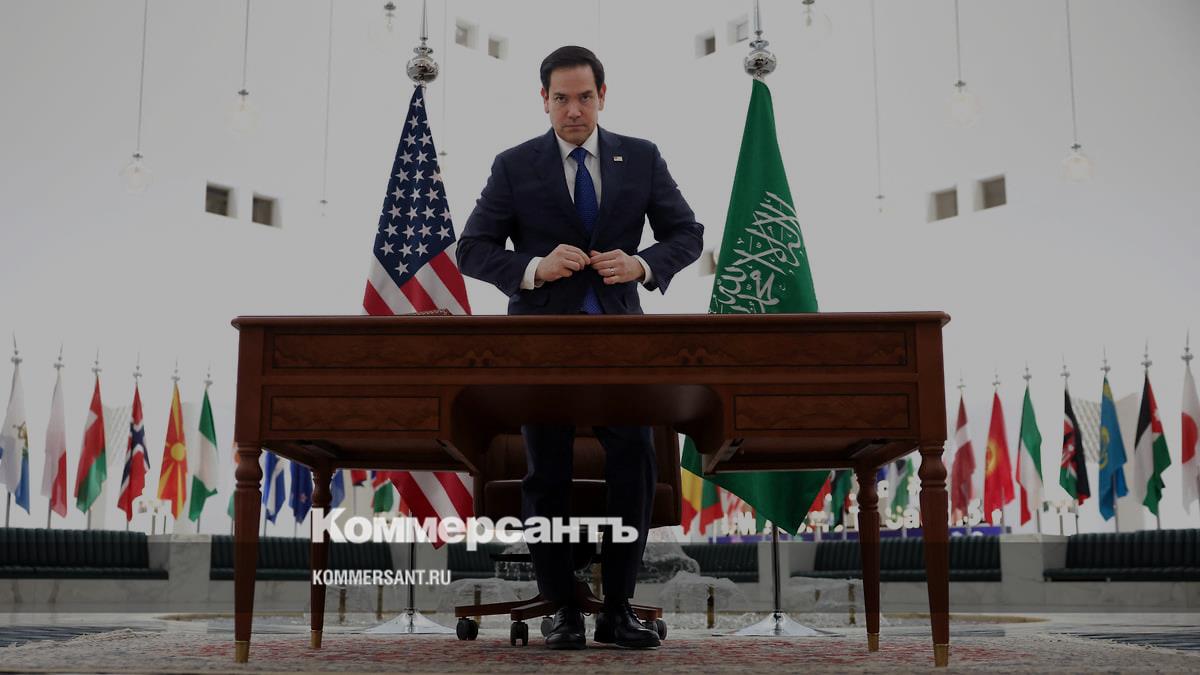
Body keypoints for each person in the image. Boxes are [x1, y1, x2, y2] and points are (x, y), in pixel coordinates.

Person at [457, 45, 703, 650]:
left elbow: (687, 234)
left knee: (635, 463)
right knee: (547, 470)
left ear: (602, 96)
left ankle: (617, 609)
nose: (574, 110)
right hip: (543, 346)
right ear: (543, 100)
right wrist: (534, 267)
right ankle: (562, 608)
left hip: (621, 344)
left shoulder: (640, 157)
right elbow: (472, 249)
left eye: (585, 97)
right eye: (562, 98)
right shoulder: (514, 165)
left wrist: (642, 265)